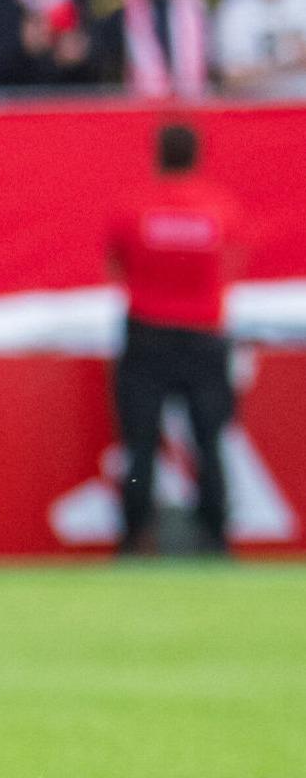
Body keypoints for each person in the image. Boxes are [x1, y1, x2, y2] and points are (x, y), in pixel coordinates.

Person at [106, 124, 242, 556]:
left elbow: (116, 264)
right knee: (210, 442)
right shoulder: (220, 209)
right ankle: (215, 539)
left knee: (140, 444)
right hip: (204, 335)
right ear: (196, 155)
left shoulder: (135, 209)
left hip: (148, 334)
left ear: (158, 155)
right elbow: (233, 262)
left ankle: (133, 540)